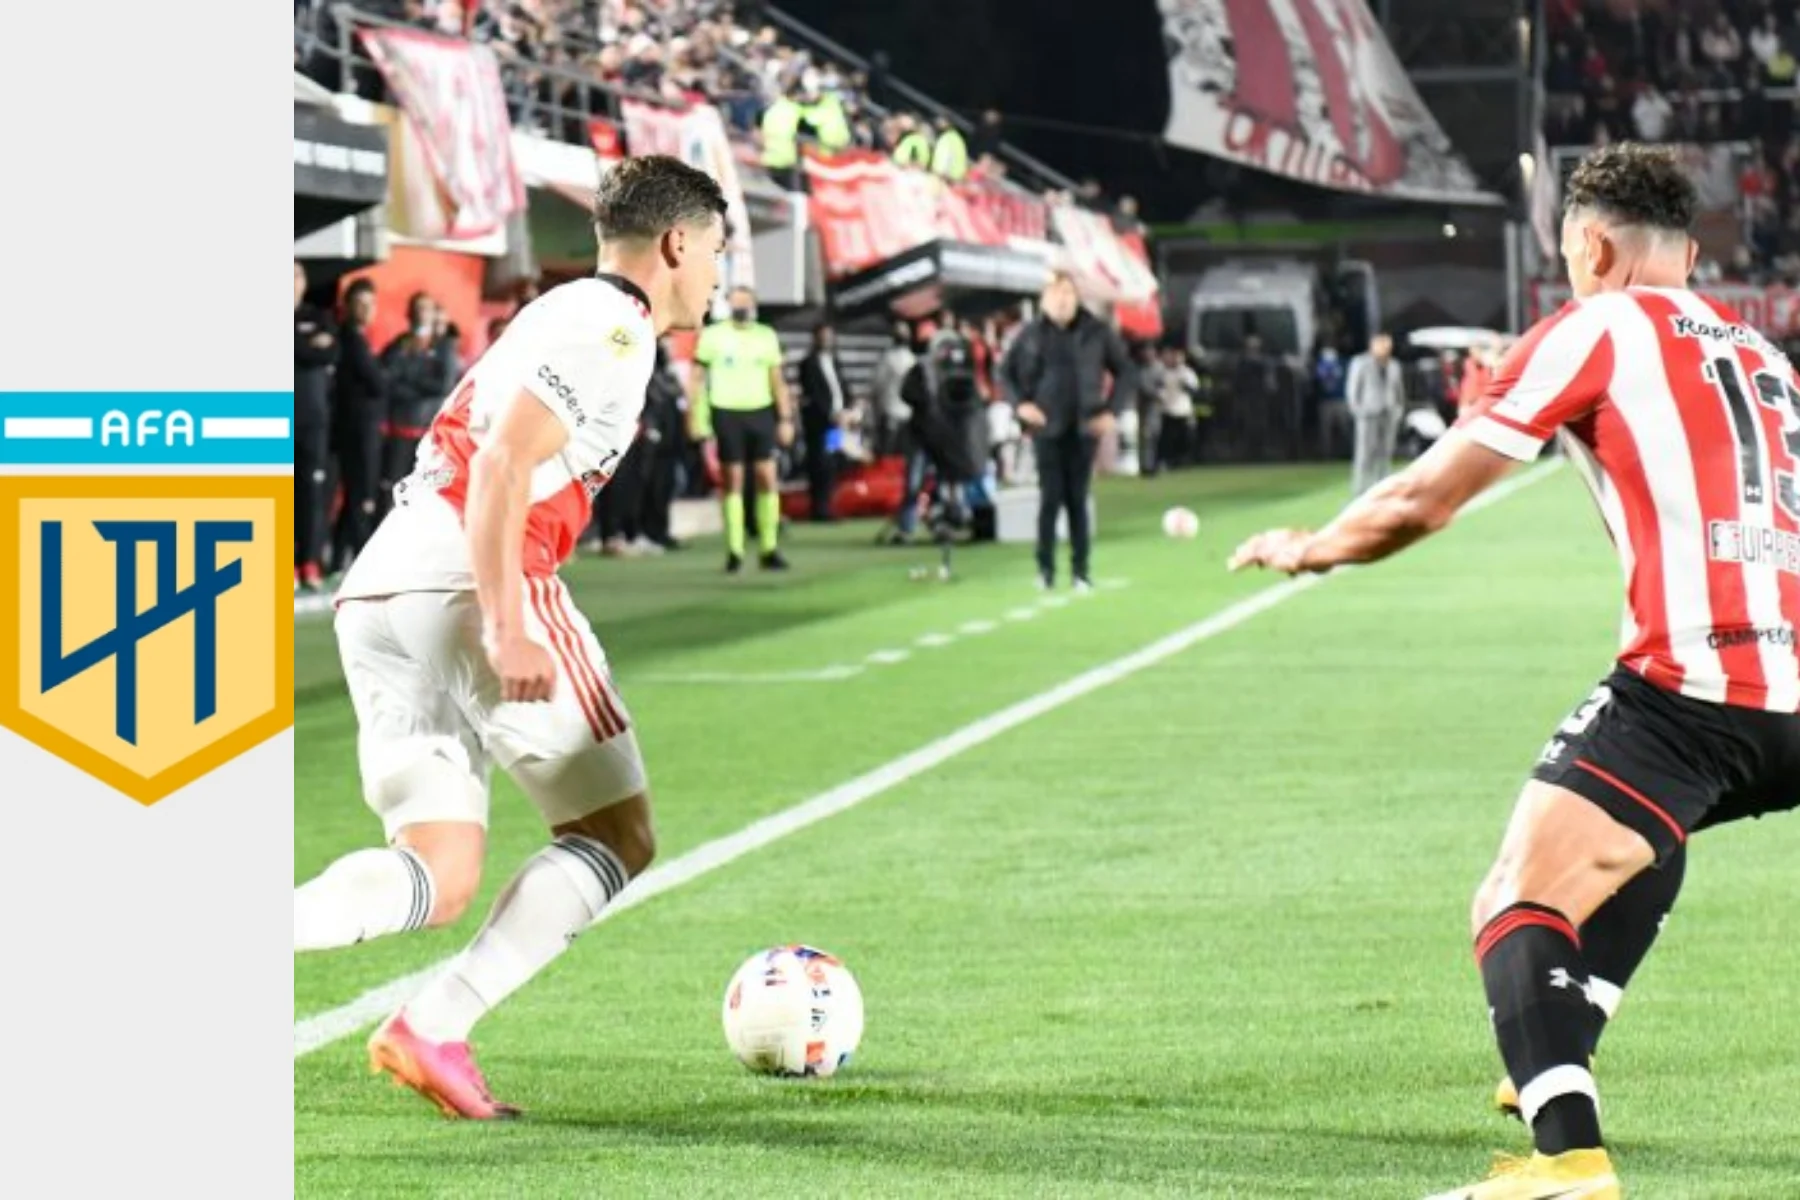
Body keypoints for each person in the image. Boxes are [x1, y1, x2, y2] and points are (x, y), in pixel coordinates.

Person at [1229, 143, 1800, 1199]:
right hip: (1788, 699)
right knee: (1643, 823)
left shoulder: (1597, 325)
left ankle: (1567, 1158)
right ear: (1689, 253)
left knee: (1513, 899)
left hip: (1696, 688)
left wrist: (1311, 548)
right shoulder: (1767, 358)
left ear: (1592, 248)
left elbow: (1424, 498)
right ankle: (1558, 1033)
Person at [296, 155, 730, 1120]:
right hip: (472, 577)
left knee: (438, 871)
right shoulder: (615, 325)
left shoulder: (566, 312)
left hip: (386, 582)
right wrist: (506, 623)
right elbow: (501, 465)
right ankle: (435, 1025)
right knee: (616, 835)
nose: (717, 273)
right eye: (714, 250)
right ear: (675, 244)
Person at [1000, 272, 1134, 592]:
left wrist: (1111, 411)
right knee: (1050, 499)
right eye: (1055, 293)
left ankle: (1080, 571)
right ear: (1044, 299)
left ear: (1077, 298)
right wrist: (1021, 406)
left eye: (1068, 293)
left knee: (1078, 499)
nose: (1062, 300)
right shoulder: (1031, 334)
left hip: (1085, 426)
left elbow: (1126, 371)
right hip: (1046, 427)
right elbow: (1005, 373)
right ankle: (1045, 569)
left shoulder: (1096, 332)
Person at [691, 285, 794, 572]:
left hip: (760, 411)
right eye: (736, 302)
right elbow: (697, 379)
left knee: (767, 477)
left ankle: (769, 547)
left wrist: (785, 418)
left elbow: (777, 380)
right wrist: (696, 418)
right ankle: (734, 550)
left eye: (745, 302)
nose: (741, 307)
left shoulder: (766, 335)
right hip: (726, 410)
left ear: (754, 304)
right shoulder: (713, 335)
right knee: (733, 479)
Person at [379, 292, 458, 518]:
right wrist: (418, 384)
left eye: (427, 308)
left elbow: (443, 385)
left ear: (434, 314)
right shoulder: (400, 344)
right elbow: (388, 381)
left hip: (429, 434)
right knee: (392, 491)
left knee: (424, 495)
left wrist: (409, 379)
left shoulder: (444, 347)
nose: (422, 313)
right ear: (409, 313)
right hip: (400, 429)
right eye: (418, 308)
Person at [331, 278, 385, 572]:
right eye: (360, 304)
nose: (366, 310)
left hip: (362, 427)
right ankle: (362, 565)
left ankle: (338, 561)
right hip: (356, 429)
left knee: (356, 495)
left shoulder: (360, 339)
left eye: (370, 304)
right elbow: (377, 383)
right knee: (361, 496)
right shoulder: (350, 340)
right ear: (347, 306)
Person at [294, 260, 338, 592]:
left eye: (297, 275)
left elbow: (330, 353)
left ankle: (309, 561)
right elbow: (309, 351)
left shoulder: (319, 316)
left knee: (311, 491)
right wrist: (309, 345)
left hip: (313, 419)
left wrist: (303, 347)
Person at [798, 320, 849, 522]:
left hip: (836, 424)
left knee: (832, 463)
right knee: (820, 463)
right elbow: (814, 394)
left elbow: (841, 388)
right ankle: (819, 507)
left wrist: (848, 410)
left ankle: (829, 504)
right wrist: (831, 414)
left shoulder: (835, 361)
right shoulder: (808, 364)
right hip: (820, 424)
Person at [1344, 331, 1406, 496]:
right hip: (1368, 414)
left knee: (1385, 452)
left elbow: (1399, 390)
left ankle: (1382, 488)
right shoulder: (1360, 362)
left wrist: (1399, 409)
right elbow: (1353, 388)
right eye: (1382, 345)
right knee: (1365, 453)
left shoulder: (1394, 365)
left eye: (1388, 345)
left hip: (1389, 413)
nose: (1386, 348)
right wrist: (1357, 410)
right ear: (1373, 346)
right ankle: (1360, 490)